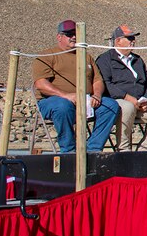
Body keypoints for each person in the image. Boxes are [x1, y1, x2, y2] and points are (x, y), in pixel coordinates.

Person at [32, 20, 119, 152]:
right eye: (69, 34)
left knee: (110, 106)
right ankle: (68, 150)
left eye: (76, 34)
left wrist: (97, 95)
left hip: (86, 100)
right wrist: (66, 96)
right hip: (53, 101)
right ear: (59, 37)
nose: (73, 37)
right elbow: (41, 83)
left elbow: (97, 80)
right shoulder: (47, 55)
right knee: (62, 106)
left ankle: (93, 148)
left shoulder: (86, 56)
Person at [96, 25, 147, 151]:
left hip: (140, 103)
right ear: (118, 41)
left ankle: (144, 149)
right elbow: (106, 84)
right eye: (129, 38)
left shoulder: (138, 60)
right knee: (127, 107)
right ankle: (124, 149)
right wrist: (127, 98)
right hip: (118, 101)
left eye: (133, 38)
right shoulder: (105, 59)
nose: (133, 41)